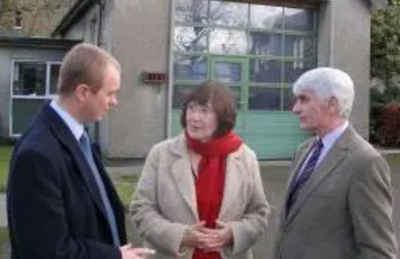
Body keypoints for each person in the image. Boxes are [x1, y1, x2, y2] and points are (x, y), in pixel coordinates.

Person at [7, 43, 154, 259]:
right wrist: (114, 256)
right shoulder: (37, 155)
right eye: (110, 93)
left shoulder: (77, 137)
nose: (115, 101)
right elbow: (46, 251)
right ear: (83, 92)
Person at [130, 80, 270, 259]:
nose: (194, 117)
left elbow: (258, 213)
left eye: (204, 110)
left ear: (222, 116)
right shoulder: (161, 154)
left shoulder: (245, 157)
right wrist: (179, 236)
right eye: (191, 108)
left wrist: (233, 234)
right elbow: (141, 209)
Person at [274, 67, 397, 259]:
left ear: (331, 104)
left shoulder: (366, 163)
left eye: (304, 99)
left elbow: (379, 251)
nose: (295, 109)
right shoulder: (304, 151)